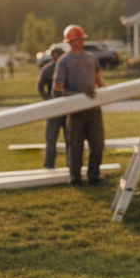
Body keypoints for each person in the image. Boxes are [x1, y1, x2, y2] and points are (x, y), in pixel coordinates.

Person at [52, 24, 105, 186]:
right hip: (75, 112)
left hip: (94, 110)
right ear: (69, 42)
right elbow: (58, 87)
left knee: (97, 144)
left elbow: (100, 82)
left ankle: (93, 176)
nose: (78, 42)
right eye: (75, 40)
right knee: (75, 146)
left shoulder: (91, 58)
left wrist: (107, 93)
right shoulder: (64, 61)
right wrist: (78, 93)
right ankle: (75, 177)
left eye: (80, 39)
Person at [36, 46, 66, 169]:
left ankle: (72, 164)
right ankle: (49, 164)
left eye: (60, 53)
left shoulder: (66, 67)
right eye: (56, 53)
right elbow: (40, 86)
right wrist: (48, 99)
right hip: (53, 109)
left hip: (66, 107)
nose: (58, 56)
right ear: (52, 55)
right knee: (51, 138)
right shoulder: (48, 69)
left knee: (70, 139)